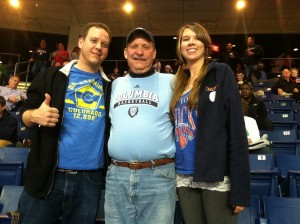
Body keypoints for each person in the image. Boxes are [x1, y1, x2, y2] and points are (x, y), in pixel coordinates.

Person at [18, 22, 112, 224]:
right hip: (48, 176)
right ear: (81, 42)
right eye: (93, 40)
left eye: (104, 44)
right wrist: (35, 116)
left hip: (89, 182)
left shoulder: (110, 87)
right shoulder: (51, 76)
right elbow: (25, 113)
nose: (98, 47)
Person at [170, 22, 250, 224]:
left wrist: (240, 188)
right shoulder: (178, 82)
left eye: (196, 37)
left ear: (205, 45)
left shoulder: (221, 72)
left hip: (215, 177)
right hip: (184, 175)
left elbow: (236, 130)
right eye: (185, 39)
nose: (191, 42)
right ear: (179, 47)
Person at [105, 27, 176, 224]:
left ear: (154, 54)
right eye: (134, 46)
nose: (140, 51)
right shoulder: (114, 85)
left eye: (146, 47)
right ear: (126, 52)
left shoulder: (172, 81)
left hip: (158, 176)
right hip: (117, 175)